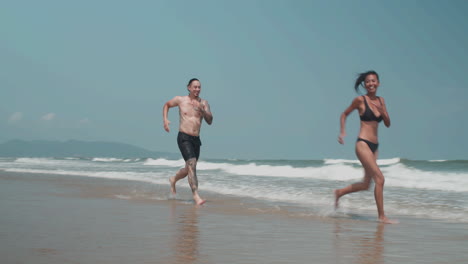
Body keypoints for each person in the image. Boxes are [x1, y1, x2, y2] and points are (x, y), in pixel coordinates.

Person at [335, 70, 397, 224]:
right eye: (368, 81)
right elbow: (344, 114)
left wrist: (383, 112)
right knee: (380, 179)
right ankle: (382, 216)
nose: (371, 84)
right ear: (365, 84)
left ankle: (339, 192)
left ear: (378, 83)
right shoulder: (360, 100)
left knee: (366, 184)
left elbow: (388, 124)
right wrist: (342, 132)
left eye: (373, 81)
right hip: (362, 143)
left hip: (374, 146)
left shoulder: (382, 101)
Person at [163, 78, 213, 205]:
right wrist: (165, 120)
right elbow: (167, 105)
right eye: (195, 87)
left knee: (188, 168)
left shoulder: (204, 103)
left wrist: (201, 109)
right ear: (189, 88)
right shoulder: (181, 100)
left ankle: (173, 179)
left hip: (196, 139)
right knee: (192, 164)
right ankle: (196, 196)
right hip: (184, 137)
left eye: (199, 87)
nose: (197, 89)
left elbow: (210, 121)